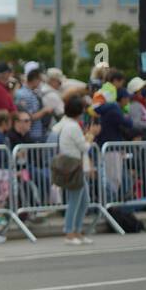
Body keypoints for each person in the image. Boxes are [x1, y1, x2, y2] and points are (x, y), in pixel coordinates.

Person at [55, 94, 98, 246]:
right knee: (75, 201)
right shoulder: (72, 126)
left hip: (75, 167)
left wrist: (87, 136)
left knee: (84, 201)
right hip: (73, 168)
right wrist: (91, 135)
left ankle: (78, 231)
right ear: (78, 111)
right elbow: (84, 147)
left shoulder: (71, 125)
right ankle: (69, 232)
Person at [14, 64, 51, 142]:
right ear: (34, 79)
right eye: (39, 80)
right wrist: (45, 111)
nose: (40, 83)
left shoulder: (31, 93)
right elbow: (29, 117)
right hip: (31, 135)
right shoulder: (24, 94)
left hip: (36, 134)